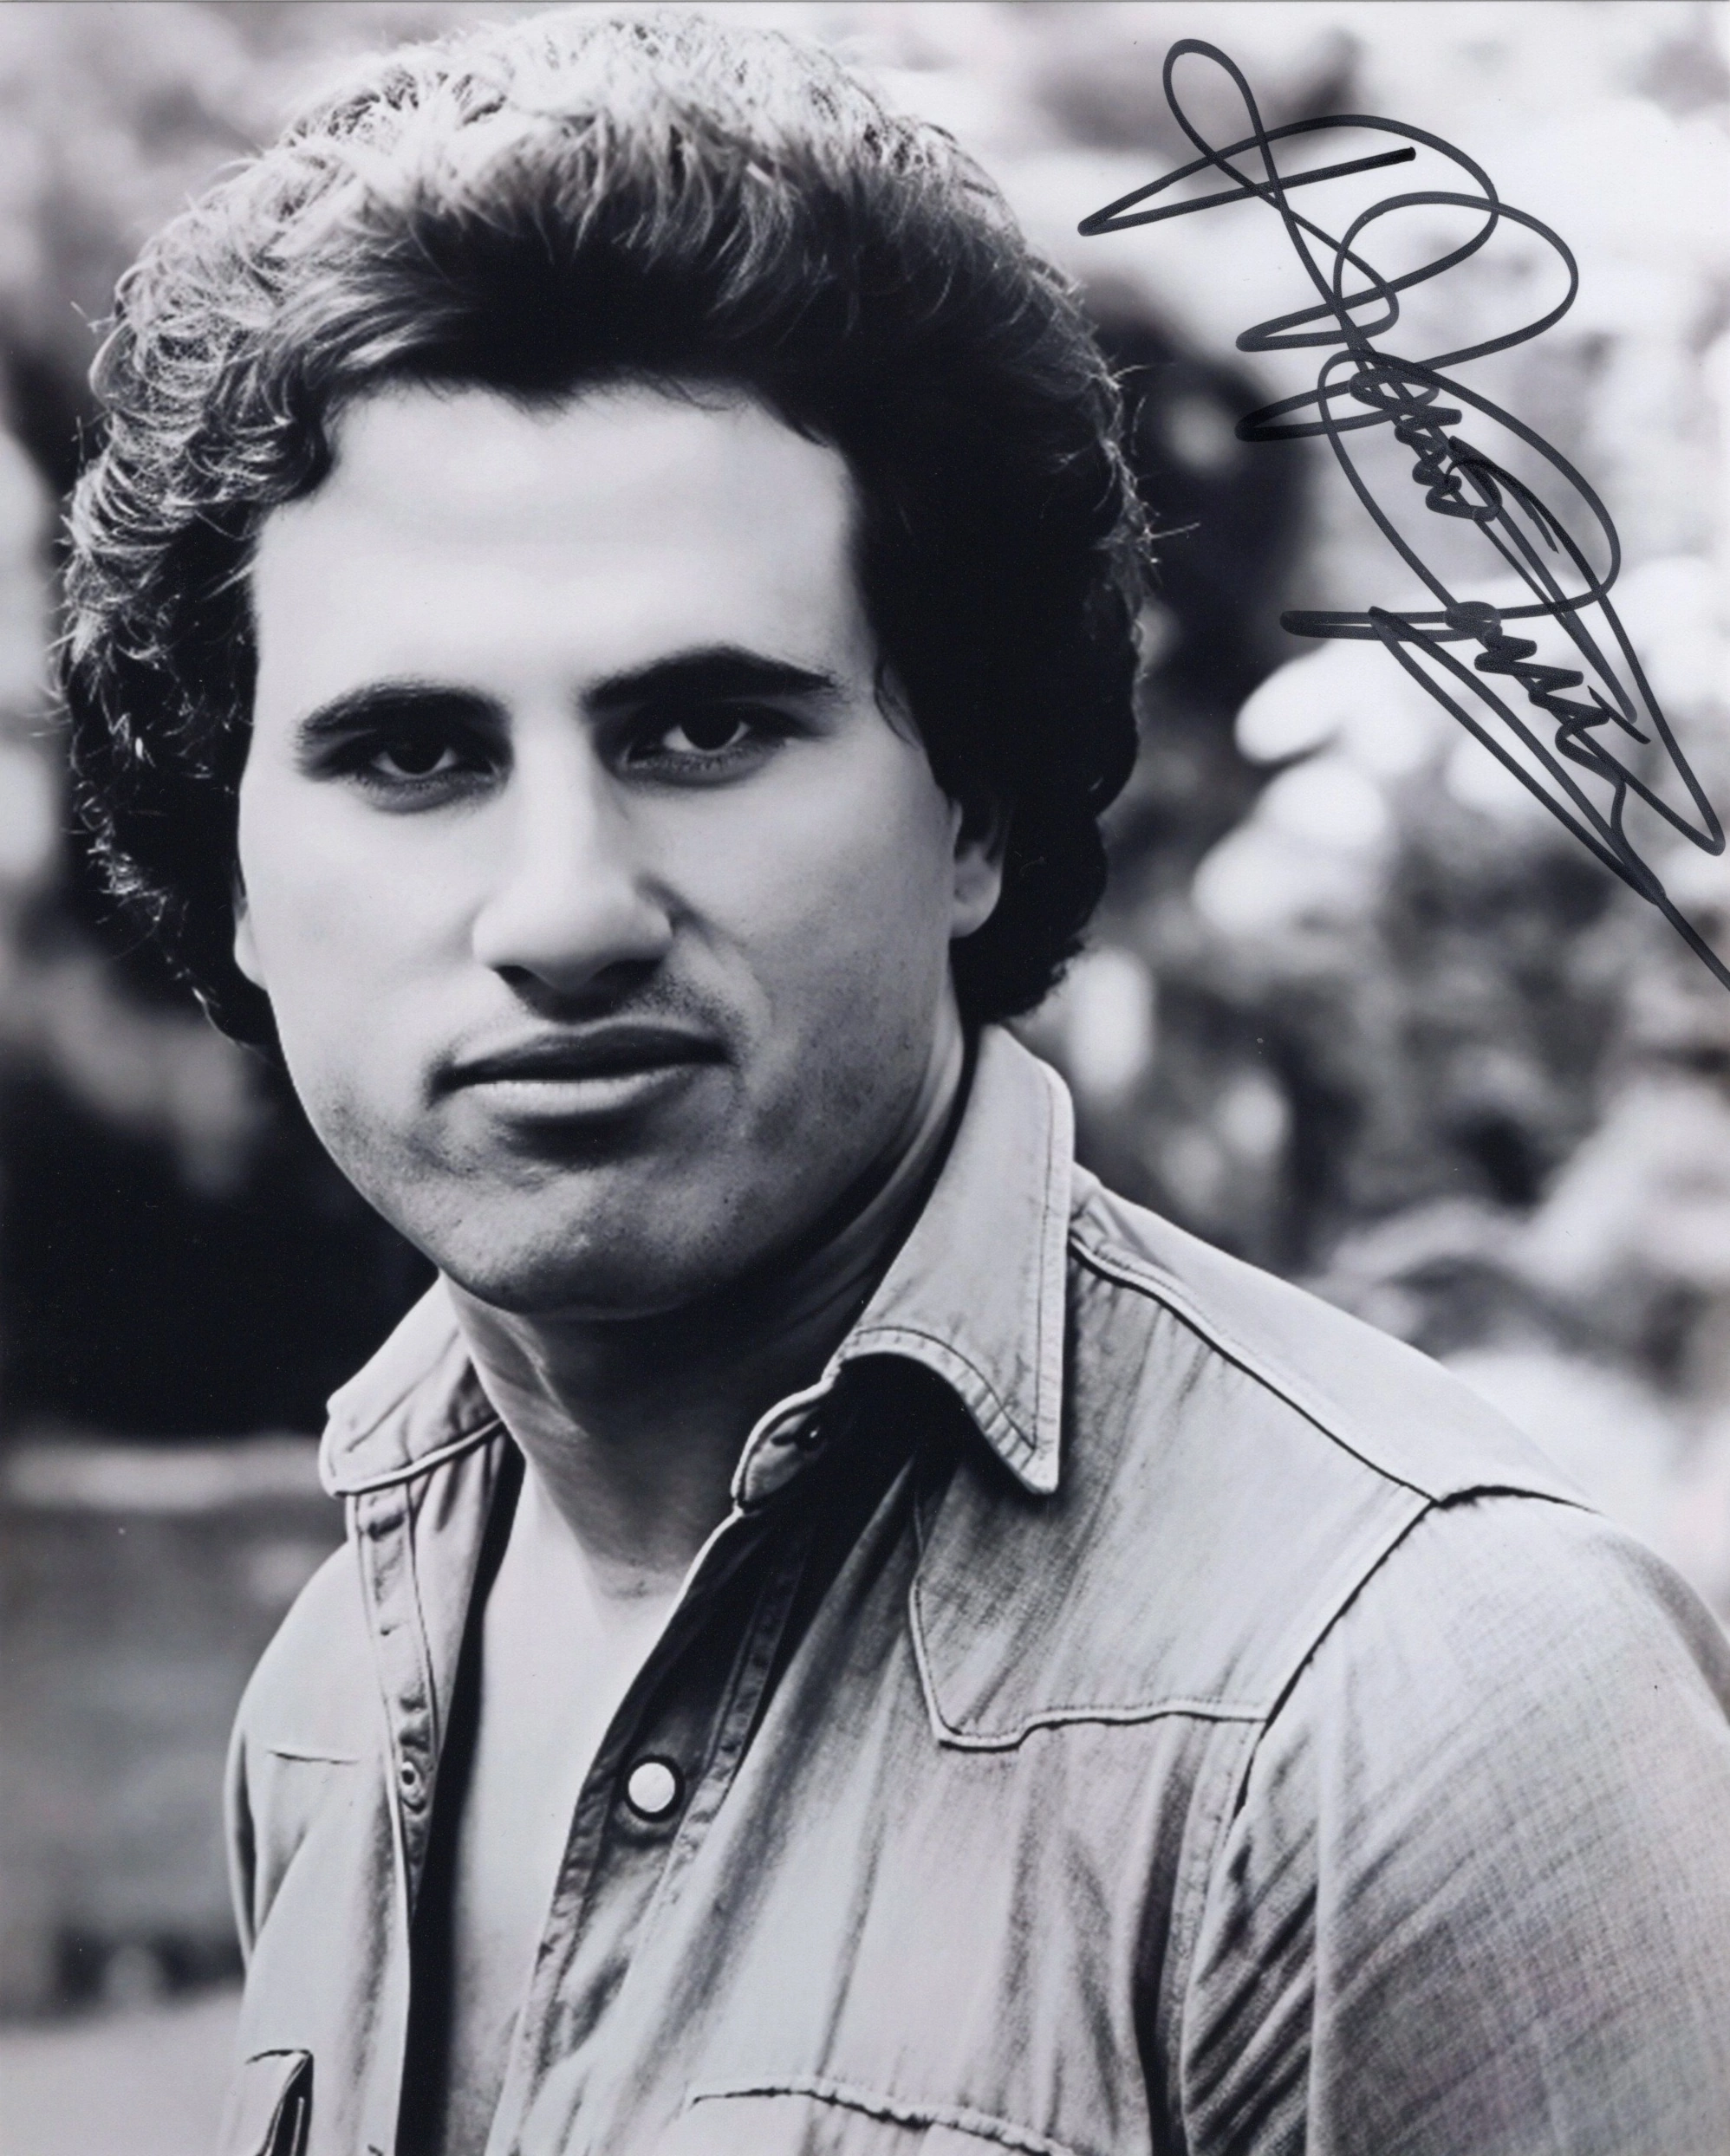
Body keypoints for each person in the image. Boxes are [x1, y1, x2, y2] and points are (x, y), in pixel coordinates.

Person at [60, 11, 1730, 2155]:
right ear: (236, 878)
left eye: (701, 728)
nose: (562, 908)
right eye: (412, 751)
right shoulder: (332, 1693)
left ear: (976, 814)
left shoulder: (1411, 1695)